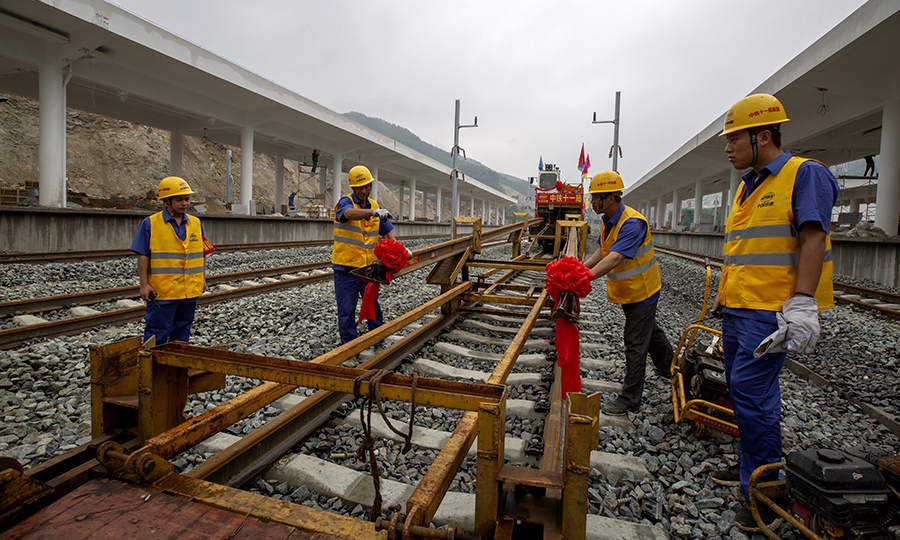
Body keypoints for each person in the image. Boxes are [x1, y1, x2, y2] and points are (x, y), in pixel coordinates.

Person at [710, 94, 839, 533]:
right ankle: (754, 470)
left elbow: (812, 239)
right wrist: (724, 295)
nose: (727, 148)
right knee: (743, 396)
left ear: (763, 136)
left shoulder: (805, 174)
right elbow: (748, 251)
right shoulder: (751, 186)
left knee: (752, 396)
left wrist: (802, 304)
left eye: (734, 139)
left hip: (770, 315)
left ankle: (767, 490)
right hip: (739, 310)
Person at [582, 171, 673, 416]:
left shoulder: (632, 223)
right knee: (650, 333)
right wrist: (583, 267)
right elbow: (603, 251)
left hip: (642, 292)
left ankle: (630, 398)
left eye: (595, 198)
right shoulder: (608, 220)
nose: (591, 203)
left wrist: (585, 278)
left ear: (609, 199)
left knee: (635, 343)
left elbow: (616, 257)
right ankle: (672, 368)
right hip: (630, 291)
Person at [130, 176, 207, 345]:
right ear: (166, 200)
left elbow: (201, 253)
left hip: (189, 290)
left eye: (187, 199)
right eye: (179, 200)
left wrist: (202, 279)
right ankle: (154, 368)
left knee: (183, 330)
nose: (184, 204)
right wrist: (144, 284)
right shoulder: (150, 224)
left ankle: (177, 367)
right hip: (163, 291)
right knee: (157, 332)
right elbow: (143, 255)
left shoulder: (196, 223)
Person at [332, 165, 396, 346]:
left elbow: (388, 234)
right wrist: (371, 212)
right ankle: (350, 349)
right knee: (346, 310)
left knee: (373, 306)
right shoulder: (345, 203)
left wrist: (401, 251)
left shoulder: (376, 206)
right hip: (346, 268)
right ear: (353, 187)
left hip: (369, 269)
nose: (364, 190)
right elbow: (348, 214)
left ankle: (377, 341)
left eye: (367, 186)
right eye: (360, 187)